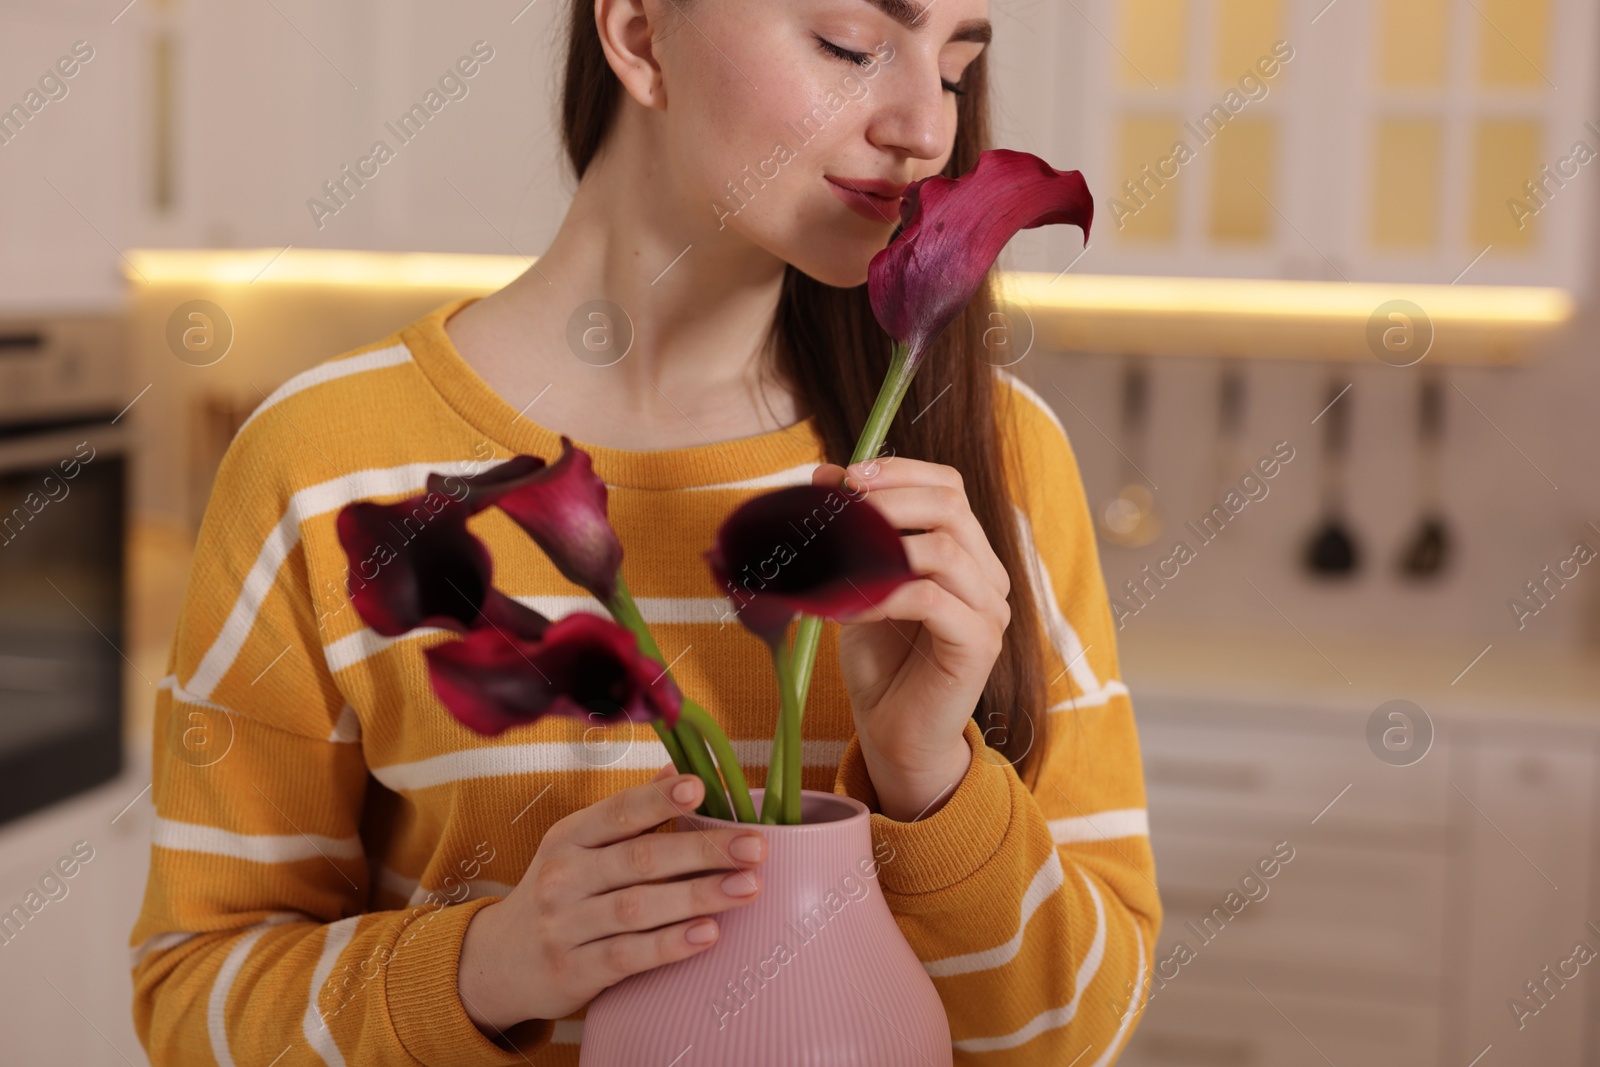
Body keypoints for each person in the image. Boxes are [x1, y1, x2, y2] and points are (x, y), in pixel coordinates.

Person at [130, 0, 1161, 1062]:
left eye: (954, 67)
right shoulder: (322, 461)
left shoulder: (989, 460)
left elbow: (1077, 1028)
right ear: (636, 34)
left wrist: (924, 773)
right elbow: (193, 996)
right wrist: (488, 965)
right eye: (852, 45)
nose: (927, 130)